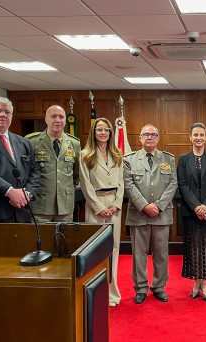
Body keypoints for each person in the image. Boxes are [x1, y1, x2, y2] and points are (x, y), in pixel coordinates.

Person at [124, 124, 177, 304]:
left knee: (161, 253)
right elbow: (128, 185)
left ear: (158, 138)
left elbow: (173, 184)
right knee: (139, 254)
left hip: (161, 215)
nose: (150, 137)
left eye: (153, 134)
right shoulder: (129, 160)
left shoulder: (168, 159)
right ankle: (140, 288)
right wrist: (145, 205)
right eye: (146, 134)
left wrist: (159, 205)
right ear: (140, 138)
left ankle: (159, 286)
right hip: (139, 214)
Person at [79, 118, 125, 307]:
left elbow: (122, 182)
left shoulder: (117, 154)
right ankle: (95, 293)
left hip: (114, 206)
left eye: (106, 129)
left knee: (113, 249)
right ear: (94, 132)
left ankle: (112, 293)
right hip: (96, 207)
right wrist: (99, 207)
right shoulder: (85, 155)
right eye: (99, 129)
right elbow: (85, 184)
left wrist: (117, 204)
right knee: (96, 250)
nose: (103, 133)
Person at [177, 123, 206, 303]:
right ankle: (196, 283)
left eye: (201, 135)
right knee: (194, 248)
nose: (198, 138)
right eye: (195, 135)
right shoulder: (183, 159)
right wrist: (196, 206)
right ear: (190, 137)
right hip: (190, 211)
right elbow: (182, 184)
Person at [26, 105, 80, 223]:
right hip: (40, 205)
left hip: (65, 206)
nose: (57, 120)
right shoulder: (32, 142)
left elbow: (76, 174)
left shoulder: (74, 143)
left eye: (61, 117)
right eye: (53, 116)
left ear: (65, 121)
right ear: (46, 119)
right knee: (41, 240)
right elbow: (26, 173)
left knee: (64, 240)